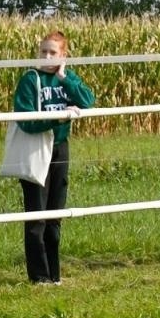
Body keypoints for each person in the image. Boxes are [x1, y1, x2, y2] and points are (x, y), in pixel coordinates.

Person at [13, 30, 95, 284]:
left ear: (63, 56)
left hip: (60, 148)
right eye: (43, 51)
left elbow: (87, 101)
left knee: (55, 214)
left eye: (53, 52)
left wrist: (65, 77)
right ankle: (39, 277)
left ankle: (54, 275)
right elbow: (25, 119)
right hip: (36, 148)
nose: (46, 56)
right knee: (36, 216)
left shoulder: (65, 79)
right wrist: (55, 118)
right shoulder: (30, 80)